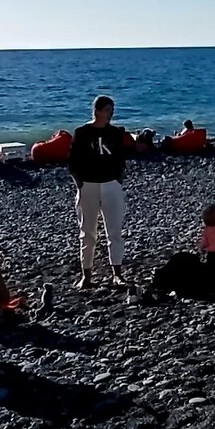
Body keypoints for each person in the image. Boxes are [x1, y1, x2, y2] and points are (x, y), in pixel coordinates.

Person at [68, 95, 131, 290]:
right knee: (87, 231)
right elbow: (73, 161)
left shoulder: (115, 133)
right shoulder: (82, 132)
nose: (110, 115)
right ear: (97, 111)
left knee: (114, 230)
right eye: (107, 111)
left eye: (112, 111)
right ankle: (86, 275)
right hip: (89, 185)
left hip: (111, 184)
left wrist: (118, 180)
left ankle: (117, 274)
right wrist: (80, 183)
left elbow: (121, 158)